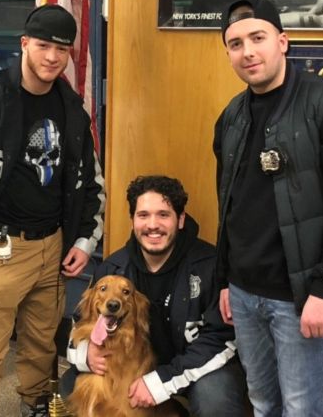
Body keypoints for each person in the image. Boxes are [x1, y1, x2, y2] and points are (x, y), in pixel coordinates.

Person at [0, 4, 105, 417]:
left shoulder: (72, 107)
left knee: (41, 343)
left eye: (62, 50)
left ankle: (36, 406)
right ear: (24, 44)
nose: (52, 57)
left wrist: (84, 239)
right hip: (0, 246)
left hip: (53, 246)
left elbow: (92, 181)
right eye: (43, 46)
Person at [215, 0, 323, 416]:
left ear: (283, 41)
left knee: (304, 409)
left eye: (258, 38)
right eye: (235, 44)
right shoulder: (230, 117)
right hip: (245, 296)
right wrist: (224, 281)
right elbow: (229, 206)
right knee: (263, 403)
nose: (248, 51)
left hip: (303, 298)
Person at [61, 175, 246, 416]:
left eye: (163, 215)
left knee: (214, 398)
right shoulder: (112, 268)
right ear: (133, 221)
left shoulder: (210, 266)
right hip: (138, 366)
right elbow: (79, 323)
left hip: (198, 367)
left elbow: (224, 339)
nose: (152, 225)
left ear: (180, 220)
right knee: (71, 384)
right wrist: (86, 354)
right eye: (143, 215)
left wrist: (163, 381)